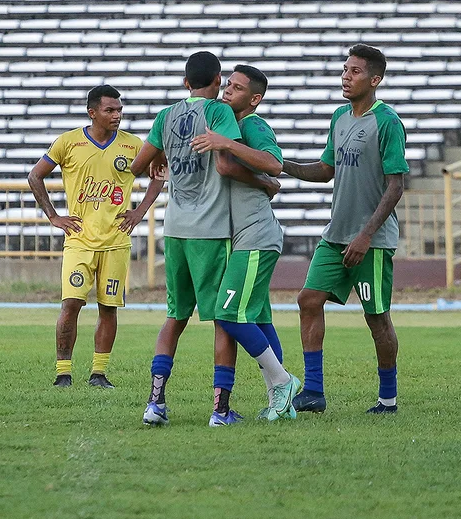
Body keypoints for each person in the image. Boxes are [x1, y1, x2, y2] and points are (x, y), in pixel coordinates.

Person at [131, 51, 278, 426]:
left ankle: (155, 404)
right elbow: (226, 162)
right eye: (224, 82)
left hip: (175, 228)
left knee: (174, 318)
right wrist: (265, 184)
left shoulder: (166, 115)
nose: (226, 88)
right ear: (215, 82)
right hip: (211, 231)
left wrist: (159, 161)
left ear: (185, 83)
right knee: (221, 320)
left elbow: (137, 166)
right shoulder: (218, 113)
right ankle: (220, 411)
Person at [281, 44, 409, 415]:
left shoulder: (387, 122)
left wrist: (366, 235)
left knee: (376, 317)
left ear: (375, 79)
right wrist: (282, 165)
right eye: (344, 70)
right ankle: (314, 392)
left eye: (354, 71)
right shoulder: (340, 117)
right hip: (335, 235)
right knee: (308, 299)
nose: (345, 77)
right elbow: (326, 170)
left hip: (371, 240)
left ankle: (388, 399)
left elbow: (395, 185)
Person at [190, 64, 298, 424]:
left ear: (254, 99)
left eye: (236, 89)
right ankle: (280, 404)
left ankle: (283, 381)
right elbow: (229, 170)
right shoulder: (230, 125)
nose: (226, 92)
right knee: (260, 318)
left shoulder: (252, 125)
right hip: (243, 237)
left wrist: (225, 143)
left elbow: (274, 163)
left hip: (256, 236)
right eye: (227, 85)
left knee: (227, 313)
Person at [28, 85, 150, 389]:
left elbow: (160, 172)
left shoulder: (133, 145)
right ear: (92, 112)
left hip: (116, 242)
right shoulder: (68, 143)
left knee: (108, 307)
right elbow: (35, 175)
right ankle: (63, 373)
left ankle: (99, 373)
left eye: (120, 110)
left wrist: (139, 212)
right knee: (71, 304)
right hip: (80, 240)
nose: (117, 115)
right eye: (110, 110)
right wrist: (54, 217)